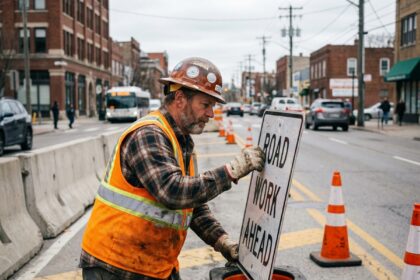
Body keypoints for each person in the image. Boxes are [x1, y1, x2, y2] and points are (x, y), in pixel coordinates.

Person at [79, 57, 266, 280]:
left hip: (150, 264)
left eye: (212, 106)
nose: (210, 114)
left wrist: (221, 241)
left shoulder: (181, 140)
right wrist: (231, 171)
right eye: (205, 105)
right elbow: (172, 191)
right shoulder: (149, 134)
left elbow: (192, 204)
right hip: (115, 265)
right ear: (179, 99)